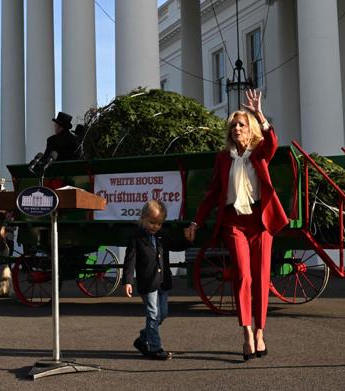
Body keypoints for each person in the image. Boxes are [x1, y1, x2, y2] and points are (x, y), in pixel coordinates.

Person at [184, 88, 288, 361]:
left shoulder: (259, 153)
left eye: (241, 124)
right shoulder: (222, 158)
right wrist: (196, 221)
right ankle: (246, 335)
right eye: (233, 125)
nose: (236, 128)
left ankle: (261, 332)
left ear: (250, 128)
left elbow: (273, 143)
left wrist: (258, 112)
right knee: (242, 275)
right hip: (234, 222)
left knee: (262, 278)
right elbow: (211, 194)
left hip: (260, 222)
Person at [123, 200, 194, 360]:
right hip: (148, 283)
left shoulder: (163, 235)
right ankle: (155, 348)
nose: (155, 226)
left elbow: (175, 245)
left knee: (163, 314)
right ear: (143, 218)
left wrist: (188, 241)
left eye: (159, 223)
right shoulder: (136, 237)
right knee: (153, 314)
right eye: (152, 222)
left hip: (163, 281)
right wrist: (127, 281)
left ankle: (143, 339)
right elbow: (130, 260)